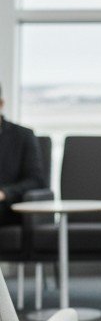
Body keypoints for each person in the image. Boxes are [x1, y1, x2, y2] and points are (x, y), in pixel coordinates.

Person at [0, 85, 46, 226]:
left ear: (1, 104)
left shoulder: (22, 136)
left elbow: (36, 180)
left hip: (8, 208)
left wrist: (4, 193)